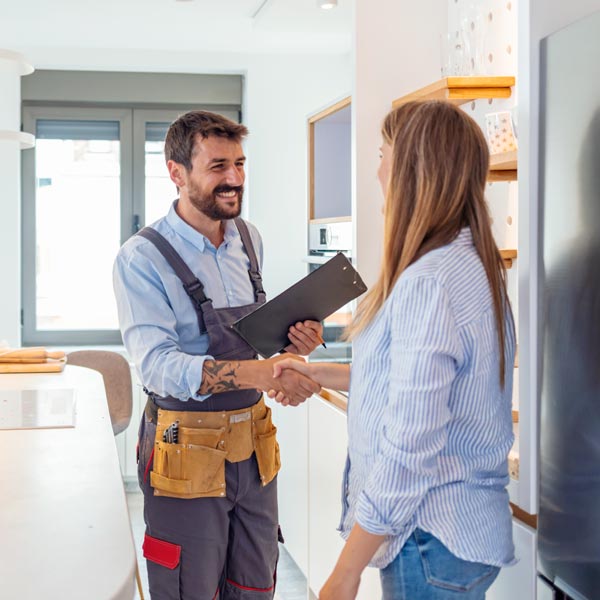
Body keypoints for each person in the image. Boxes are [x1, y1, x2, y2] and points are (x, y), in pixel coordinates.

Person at [271, 100, 517, 599]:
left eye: (383, 154)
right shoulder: (473, 266)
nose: (377, 171)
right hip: (463, 538)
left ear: (411, 170)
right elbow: (401, 385)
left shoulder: (428, 282)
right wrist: (315, 372)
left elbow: (410, 448)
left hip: (427, 539)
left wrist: (346, 570)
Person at [113, 110, 322, 600]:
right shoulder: (141, 259)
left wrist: (291, 346)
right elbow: (158, 366)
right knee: (189, 588)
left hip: (253, 449)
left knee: (254, 583)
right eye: (218, 166)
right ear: (176, 172)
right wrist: (266, 370)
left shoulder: (249, 240)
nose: (234, 179)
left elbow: (252, 341)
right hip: (183, 452)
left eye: (240, 165)